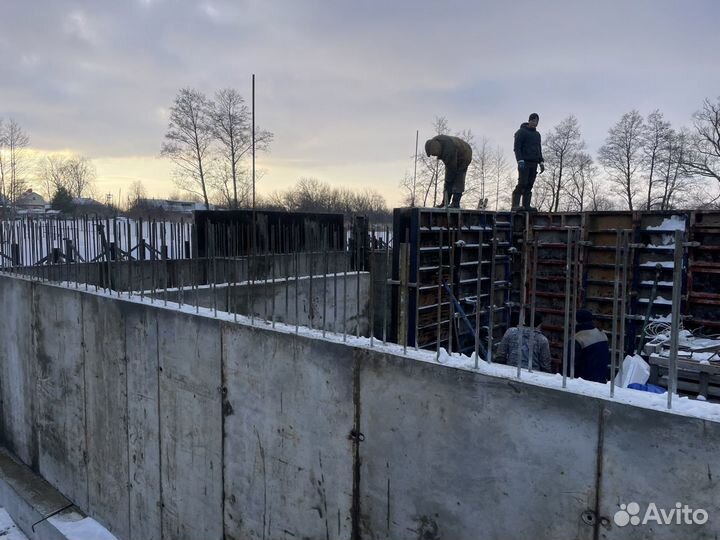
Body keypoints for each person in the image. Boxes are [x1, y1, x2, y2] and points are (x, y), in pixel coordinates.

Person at [425, 135, 473, 208]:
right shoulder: (440, 143)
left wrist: (448, 181)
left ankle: (455, 203)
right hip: (457, 152)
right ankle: (445, 203)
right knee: (449, 179)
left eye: (433, 154)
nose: (434, 156)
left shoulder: (448, 149)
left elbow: (452, 169)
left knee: (458, 179)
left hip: (465, 154)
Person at [512, 113, 545, 211]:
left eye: (537, 121)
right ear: (529, 121)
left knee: (530, 184)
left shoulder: (537, 135)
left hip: (534, 162)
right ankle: (515, 205)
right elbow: (517, 147)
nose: (535, 123)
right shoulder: (521, 132)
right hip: (524, 162)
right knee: (522, 183)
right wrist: (520, 160)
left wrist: (541, 161)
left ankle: (526, 205)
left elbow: (539, 149)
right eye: (534, 121)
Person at [569, 309, 610, 383]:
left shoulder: (577, 339)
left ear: (576, 321)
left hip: (583, 384)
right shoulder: (603, 336)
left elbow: (569, 366)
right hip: (601, 382)